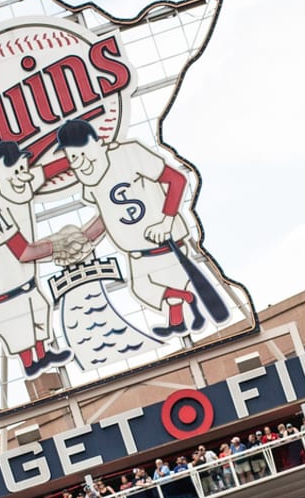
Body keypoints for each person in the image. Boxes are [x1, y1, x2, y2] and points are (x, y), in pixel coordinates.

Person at [56, 119, 228, 337]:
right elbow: (107, 216)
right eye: (73, 157)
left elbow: (176, 180)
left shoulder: (129, 154)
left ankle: (184, 308)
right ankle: (184, 308)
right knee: (143, 290)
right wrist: (82, 240)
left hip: (166, 244)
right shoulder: (90, 184)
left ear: (99, 143)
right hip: (136, 253)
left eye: (82, 152)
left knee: (166, 284)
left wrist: (166, 222)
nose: (80, 162)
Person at [0, 141, 72, 378]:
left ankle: (43, 355)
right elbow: (23, 252)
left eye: (24, 169)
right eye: (16, 171)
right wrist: (60, 244)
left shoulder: (17, 181)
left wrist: (79, 154)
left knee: (39, 311)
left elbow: (47, 171)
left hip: (22, 281)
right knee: (18, 329)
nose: (22, 175)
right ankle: (30, 363)